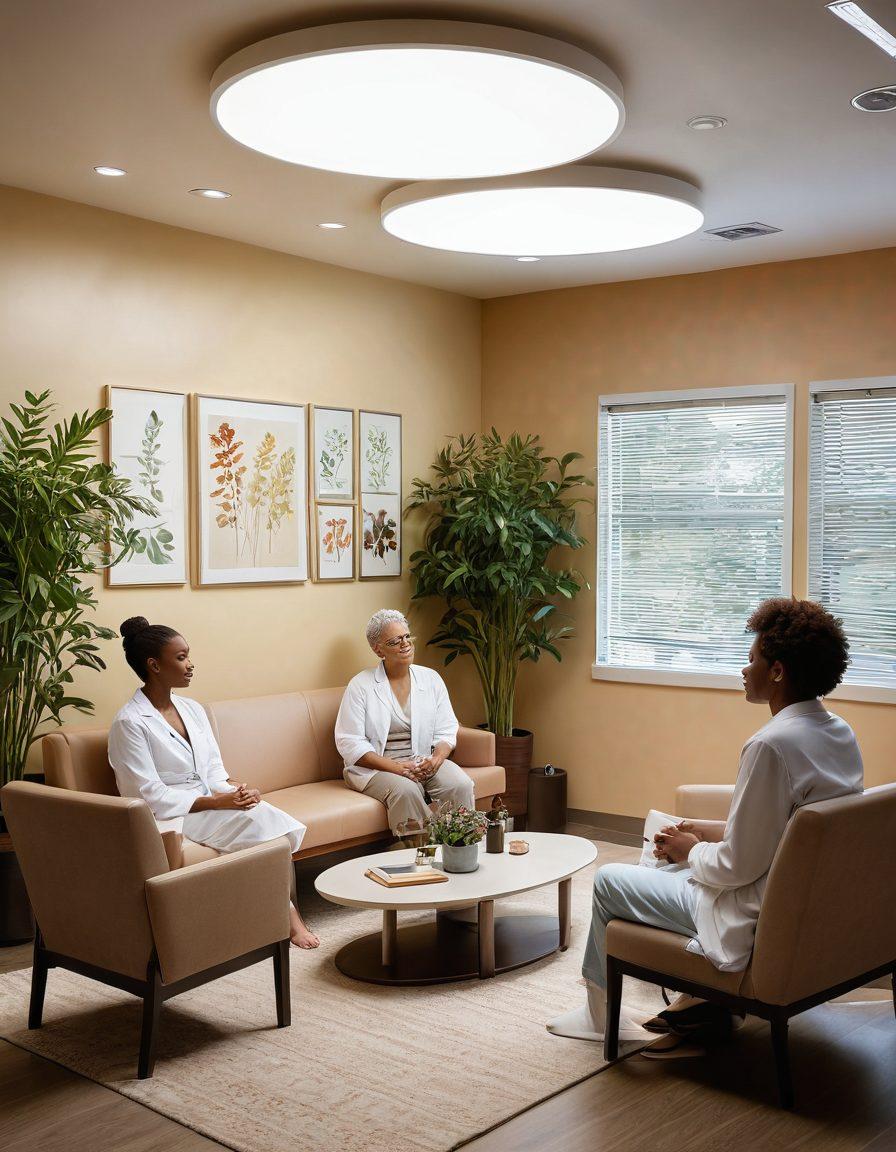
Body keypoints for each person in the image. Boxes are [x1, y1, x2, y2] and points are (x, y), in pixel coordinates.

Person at [547, 597, 863, 1050]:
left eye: (751, 659)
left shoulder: (770, 745)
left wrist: (689, 849)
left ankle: (599, 1016)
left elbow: (737, 867)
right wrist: (696, 829)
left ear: (777, 672)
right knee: (663, 832)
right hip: (795, 895)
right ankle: (698, 1001)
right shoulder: (837, 732)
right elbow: (784, 832)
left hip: (753, 911)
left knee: (609, 882)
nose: (743, 668)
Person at [108, 617, 319, 950]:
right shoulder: (129, 723)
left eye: (188, 655)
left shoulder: (192, 710)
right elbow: (145, 793)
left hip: (208, 801)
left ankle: (279, 916)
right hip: (170, 813)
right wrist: (215, 803)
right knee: (261, 832)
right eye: (181, 657)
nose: (190, 665)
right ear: (154, 665)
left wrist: (237, 791)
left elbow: (214, 772)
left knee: (269, 827)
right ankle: (291, 920)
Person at [335, 609, 476, 834]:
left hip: (422, 760)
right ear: (378, 649)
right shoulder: (360, 686)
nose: (405, 644)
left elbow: (447, 728)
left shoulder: (431, 679)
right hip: (378, 769)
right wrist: (398, 768)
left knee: (460, 784)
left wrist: (437, 759)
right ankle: (419, 854)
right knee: (407, 790)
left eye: (407, 637)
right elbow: (350, 743)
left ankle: (461, 845)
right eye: (395, 641)